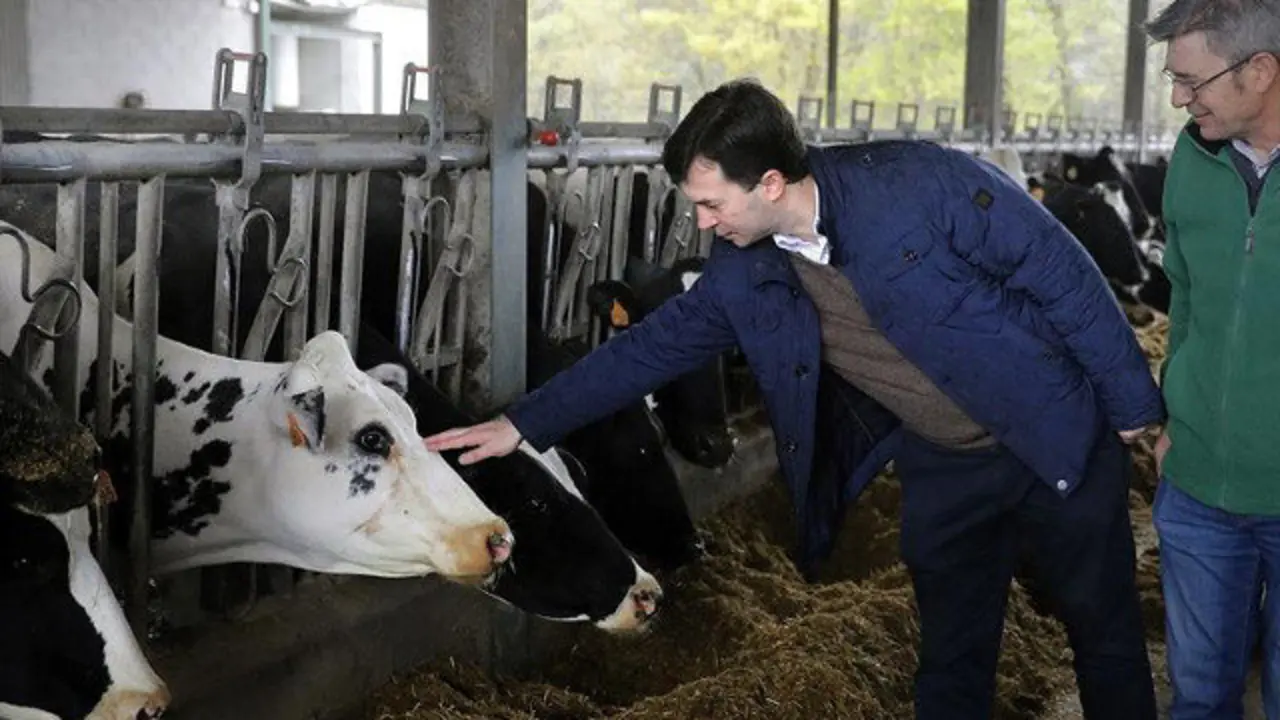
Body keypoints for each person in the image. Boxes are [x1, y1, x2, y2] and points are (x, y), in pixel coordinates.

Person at [425, 79, 1163, 719]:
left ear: (770, 184)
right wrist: (524, 423)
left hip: (1052, 431)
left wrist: (1133, 400)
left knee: (1102, 629)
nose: (705, 223)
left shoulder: (920, 186)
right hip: (946, 459)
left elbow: (1060, 270)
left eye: (713, 204)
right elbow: (652, 346)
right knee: (952, 652)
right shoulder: (744, 268)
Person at [1145, 1, 1280, 717]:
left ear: (1260, 71)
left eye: (1191, 80)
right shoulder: (1191, 158)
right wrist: (1177, 419)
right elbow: (1186, 293)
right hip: (1197, 489)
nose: (1177, 98)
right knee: (1197, 699)